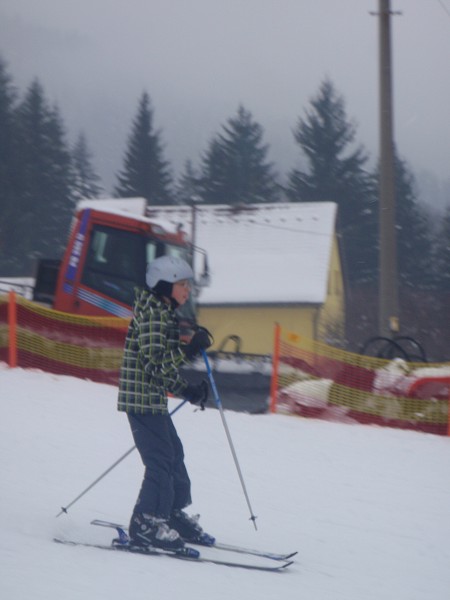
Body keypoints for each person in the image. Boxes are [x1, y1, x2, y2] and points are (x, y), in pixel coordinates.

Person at [118, 255, 213, 551]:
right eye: (182, 284)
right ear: (164, 284)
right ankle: (146, 522)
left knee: (174, 454)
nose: (187, 291)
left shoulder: (162, 313)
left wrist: (189, 391)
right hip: (141, 402)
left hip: (151, 399)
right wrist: (189, 351)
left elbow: (161, 371)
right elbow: (156, 364)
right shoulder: (152, 315)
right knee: (160, 461)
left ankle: (170, 513)